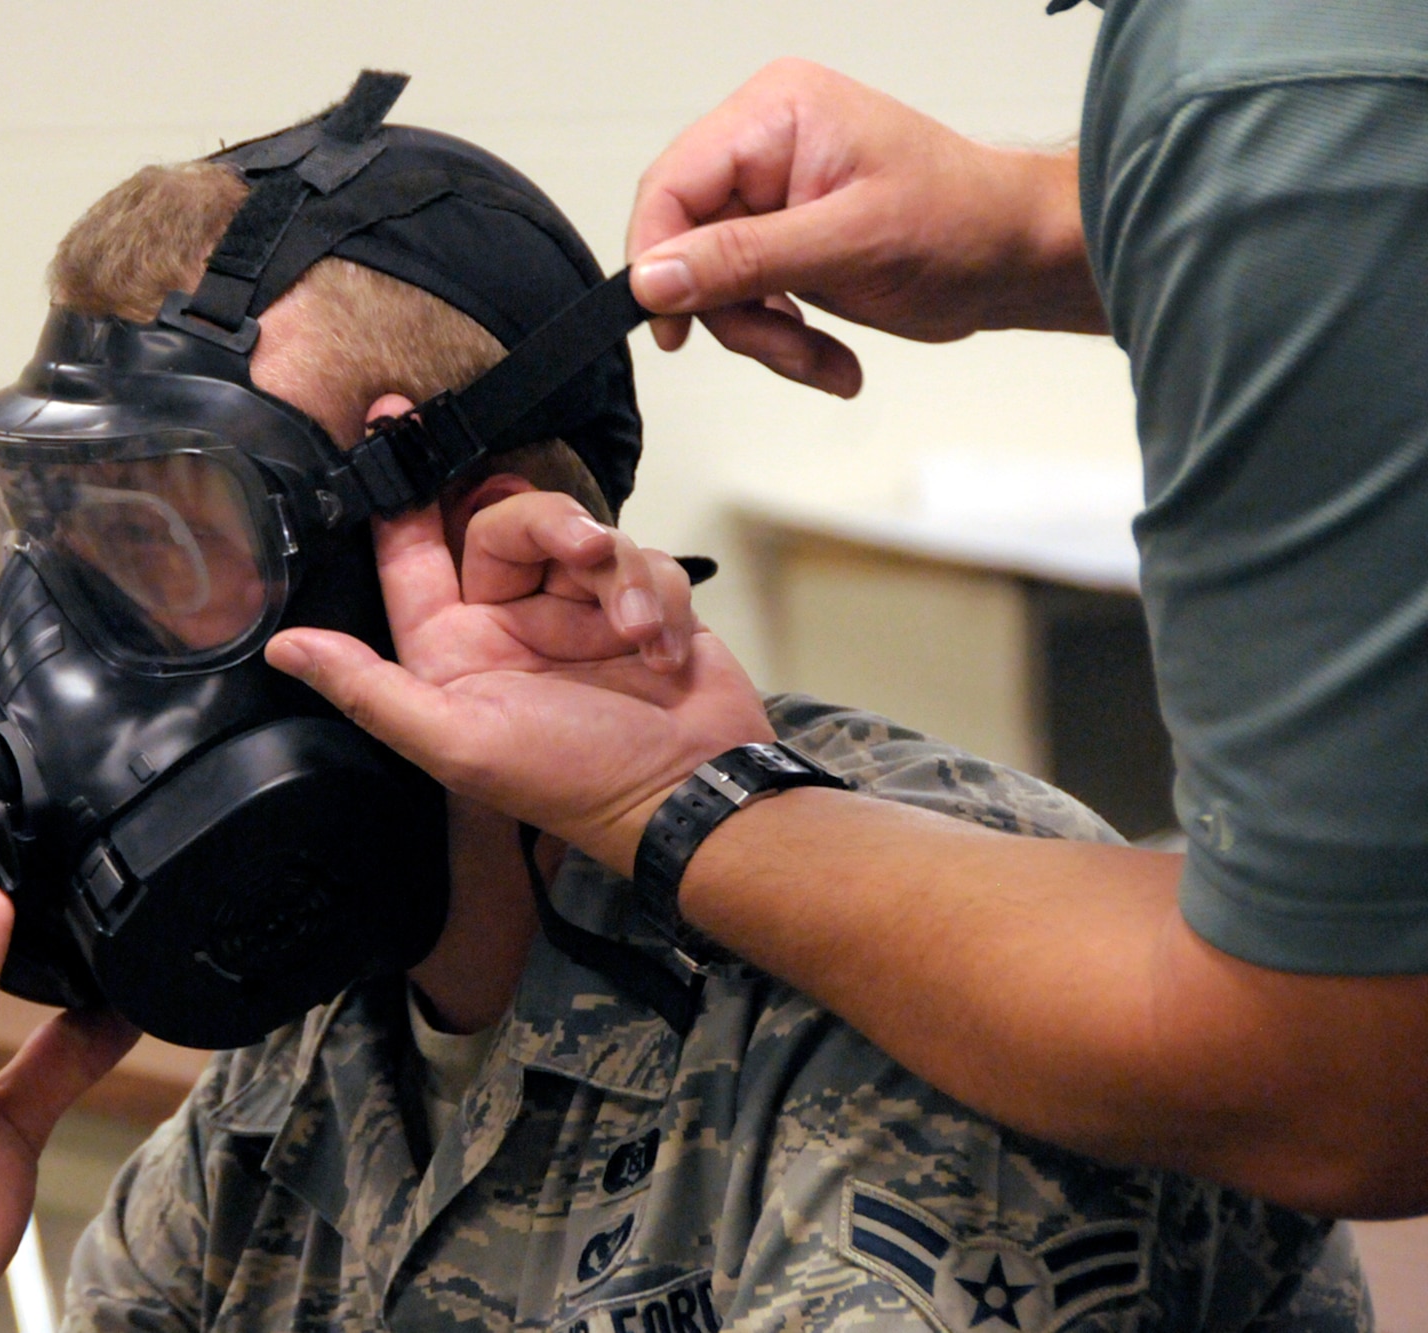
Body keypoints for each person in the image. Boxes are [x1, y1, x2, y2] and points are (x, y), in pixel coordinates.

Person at [0, 111, 1368, 1330]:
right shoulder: (306, 1083)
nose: (49, 657)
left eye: (157, 553)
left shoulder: (932, 1015)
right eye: (48, 551)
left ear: (452, 539)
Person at [264, 2, 1428, 1220]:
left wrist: (675, 797)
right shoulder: (291, 1082)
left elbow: (1332, 1073)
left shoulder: (1281, 53)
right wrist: (1046, 216)